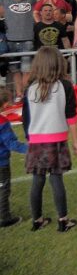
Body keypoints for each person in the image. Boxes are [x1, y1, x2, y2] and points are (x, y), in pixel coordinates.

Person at [21, 47, 77, 232]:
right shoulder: (65, 86)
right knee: (56, 178)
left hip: (36, 140)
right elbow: (71, 115)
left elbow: (25, 118)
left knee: (37, 180)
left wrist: (30, 138)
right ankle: (63, 220)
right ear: (58, 63)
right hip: (57, 140)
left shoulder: (30, 88)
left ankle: (37, 220)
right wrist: (75, 141)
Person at [1, 0, 72, 101]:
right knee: (14, 70)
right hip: (10, 41)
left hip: (27, 41)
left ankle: (25, 95)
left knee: (26, 70)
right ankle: (19, 95)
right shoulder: (4, 0)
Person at [0, 86, 28, 227]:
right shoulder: (3, 122)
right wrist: (30, 149)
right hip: (1, 163)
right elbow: (11, 143)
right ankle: (4, 218)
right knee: (4, 189)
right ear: (5, 104)